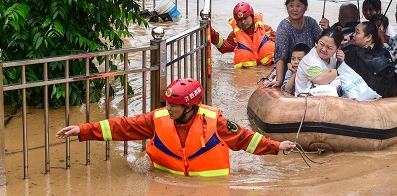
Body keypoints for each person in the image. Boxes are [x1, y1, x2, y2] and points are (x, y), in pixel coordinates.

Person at [56, 78, 296, 176]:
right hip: (165, 180)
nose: (169, 109)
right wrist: (83, 130)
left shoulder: (215, 121)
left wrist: (276, 146)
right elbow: (123, 127)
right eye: (168, 103)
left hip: (209, 187)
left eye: (174, 105)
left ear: (191, 107)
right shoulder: (158, 118)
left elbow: (245, 139)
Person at [264, 0, 323, 88]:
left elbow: (322, 44)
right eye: (291, 6)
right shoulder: (284, 27)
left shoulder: (311, 22)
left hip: (310, 67)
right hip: (292, 69)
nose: (294, 9)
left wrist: (327, 29)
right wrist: (279, 80)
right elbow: (280, 56)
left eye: (298, 6)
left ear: (305, 8)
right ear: (286, 7)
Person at [210, 2, 276, 69]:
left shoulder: (266, 30)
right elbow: (223, 47)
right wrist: (212, 33)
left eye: (245, 18)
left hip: (268, 68)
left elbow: (281, 45)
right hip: (248, 72)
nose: (243, 22)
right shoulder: (235, 36)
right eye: (240, 20)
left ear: (252, 16)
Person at [343, 21, 396, 97]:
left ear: (368, 37)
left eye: (357, 32)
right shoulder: (385, 53)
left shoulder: (353, 53)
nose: (353, 35)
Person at [294, 28, 345, 96]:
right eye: (321, 44)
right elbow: (320, 79)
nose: (323, 49)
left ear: (337, 49)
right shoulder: (310, 59)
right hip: (305, 100)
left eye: (329, 47)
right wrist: (335, 73)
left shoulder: (335, 55)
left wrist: (341, 61)